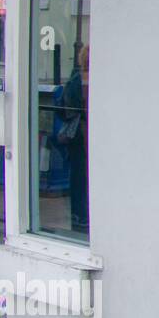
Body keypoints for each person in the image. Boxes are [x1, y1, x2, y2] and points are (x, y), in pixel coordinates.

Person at [62, 44, 89, 233]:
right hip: (82, 138)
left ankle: (79, 219)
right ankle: (82, 219)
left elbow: (66, 110)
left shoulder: (75, 80)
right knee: (82, 177)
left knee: (79, 178)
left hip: (78, 139)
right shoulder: (80, 81)